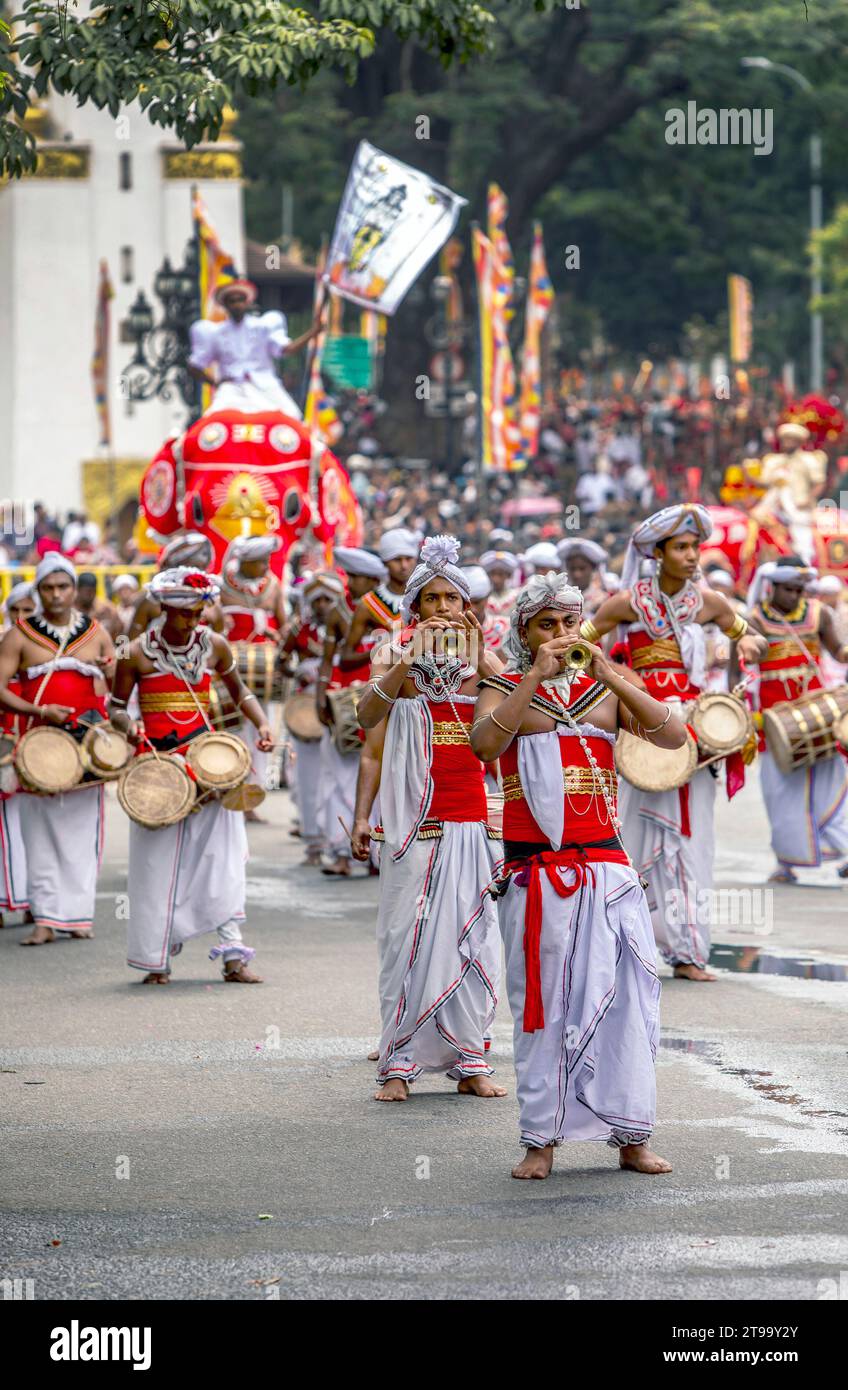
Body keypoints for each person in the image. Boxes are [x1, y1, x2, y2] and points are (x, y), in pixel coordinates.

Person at [471, 570, 682, 1179]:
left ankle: (631, 1136)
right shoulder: (503, 686)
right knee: (543, 1007)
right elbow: (485, 745)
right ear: (525, 633)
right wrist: (534, 674)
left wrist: (612, 673)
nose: (560, 635)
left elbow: (671, 735)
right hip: (536, 874)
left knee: (628, 1002)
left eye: (568, 623)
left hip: (608, 869)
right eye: (546, 625)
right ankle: (541, 1141)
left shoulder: (605, 690)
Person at [352, 536, 505, 1102]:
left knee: (475, 939)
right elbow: (366, 721)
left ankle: (471, 1060)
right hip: (411, 823)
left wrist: (483, 652)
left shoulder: (482, 666)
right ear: (413, 609)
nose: (442, 609)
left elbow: (514, 713)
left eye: (451, 599)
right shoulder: (391, 656)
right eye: (431, 600)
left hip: (470, 817)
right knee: (403, 938)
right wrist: (362, 817)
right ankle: (397, 1064)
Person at [585, 505, 765, 982]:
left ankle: (687, 951)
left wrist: (745, 647)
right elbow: (580, 650)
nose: (691, 557)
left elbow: (753, 640)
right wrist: (620, 675)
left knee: (691, 842)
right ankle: (628, 944)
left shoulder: (711, 603)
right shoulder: (624, 603)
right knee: (635, 835)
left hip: (692, 732)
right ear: (656, 553)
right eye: (681, 548)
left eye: (695, 548)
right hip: (643, 728)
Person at [110, 568, 274, 984]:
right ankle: (154, 960)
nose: (191, 620)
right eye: (183, 612)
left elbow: (242, 692)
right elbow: (114, 707)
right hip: (158, 769)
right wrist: (129, 727)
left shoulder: (215, 645)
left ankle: (234, 957)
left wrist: (262, 725)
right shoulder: (134, 652)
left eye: (197, 611)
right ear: (164, 608)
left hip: (210, 767)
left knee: (224, 860)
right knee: (155, 866)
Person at [0, 555, 115, 945]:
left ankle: (78, 917)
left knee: (83, 832)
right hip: (39, 745)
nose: (56, 595)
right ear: (38, 590)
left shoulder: (97, 632)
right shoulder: (18, 635)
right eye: (48, 588)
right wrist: (38, 711)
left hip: (88, 747)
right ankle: (46, 920)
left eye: (62, 586)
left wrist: (111, 669)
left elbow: (117, 682)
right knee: (39, 831)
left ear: (73, 590)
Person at [746, 558, 848, 884]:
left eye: (799, 589)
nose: (794, 595)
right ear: (772, 586)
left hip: (818, 714)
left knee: (832, 786)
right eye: (788, 589)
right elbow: (741, 665)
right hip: (775, 720)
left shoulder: (820, 613)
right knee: (779, 791)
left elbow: (838, 652)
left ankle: (844, 850)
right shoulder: (755, 620)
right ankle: (787, 863)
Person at [188, 279, 324, 418]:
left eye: (240, 300)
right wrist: (215, 383)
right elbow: (194, 365)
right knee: (211, 422)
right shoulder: (215, 332)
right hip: (231, 390)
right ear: (225, 305)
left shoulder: (263, 326)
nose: (237, 304)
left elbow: (287, 349)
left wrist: (313, 332)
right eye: (232, 301)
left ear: (247, 302)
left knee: (293, 417)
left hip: (266, 387)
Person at [218, 534, 286, 809]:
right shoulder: (221, 586)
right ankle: (231, 789)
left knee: (261, 729)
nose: (266, 567)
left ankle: (252, 798)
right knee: (232, 729)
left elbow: (283, 625)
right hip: (230, 672)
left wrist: (275, 636)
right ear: (246, 562)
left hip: (261, 674)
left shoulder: (273, 587)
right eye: (261, 562)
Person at [0, 582, 36, 927]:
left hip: (39, 746)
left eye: (28, 611)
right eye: (16, 611)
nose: (21, 617)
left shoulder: (47, 647)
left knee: (33, 827)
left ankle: (33, 901)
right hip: (5, 746)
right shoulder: (3, 645)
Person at [340, 527, 420, 662]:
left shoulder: (426, 597)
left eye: (408, 558)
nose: (404, 566)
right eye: (397, 560)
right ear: (384, 562)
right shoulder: (368, 604)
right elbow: (346, 656)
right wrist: (381, 651)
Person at [129, 533, 223, 639]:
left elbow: (219, 644)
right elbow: (127, 645)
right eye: (188, 567)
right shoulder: (151, 598)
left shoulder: (211, 600)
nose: (192, 573)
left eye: (199, 568)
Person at [556, 538, 613, 617]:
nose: (577, 574)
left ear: (593, 568)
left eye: (582, 569)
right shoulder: (558, 599)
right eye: (572, 569)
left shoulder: (602, 600)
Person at [76, 571, 122, 641]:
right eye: (86, 591)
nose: (89, 595)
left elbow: (120, 633)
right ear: (78, 590)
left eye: (92, 591)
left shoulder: (107, 609)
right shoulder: (69, 609)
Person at [480, 550, 519, 620]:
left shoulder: (516, 596)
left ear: (508, 575)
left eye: (500, 574)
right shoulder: (482, 597)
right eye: (493, 574)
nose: (496, 579)